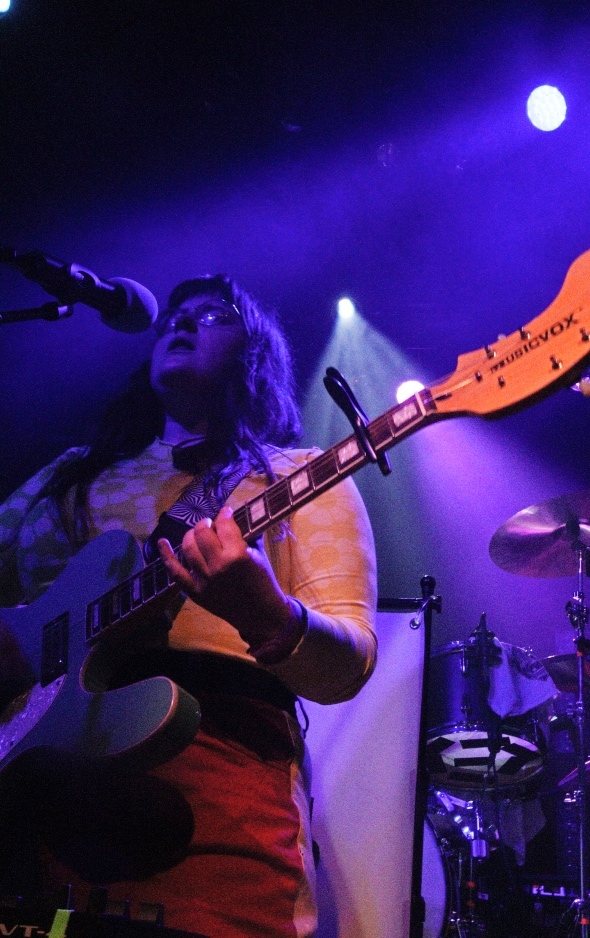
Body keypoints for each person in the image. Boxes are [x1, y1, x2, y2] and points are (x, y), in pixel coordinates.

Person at [0, 274, 378, 938]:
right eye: (176, 313)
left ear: (253, 352)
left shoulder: (294, 473)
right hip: (35, 795)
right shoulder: (68, 475)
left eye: (214, 315)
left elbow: (347, 666)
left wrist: (267, 614)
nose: (182, 321)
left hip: (216, 793)